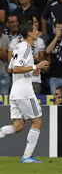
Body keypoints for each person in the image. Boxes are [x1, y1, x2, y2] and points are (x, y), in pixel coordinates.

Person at [0, 21, 49, 163]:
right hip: (24, 91)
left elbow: (10, 68)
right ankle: (27, 157)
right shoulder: (26, 47)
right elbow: (15, 69)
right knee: (37, 122)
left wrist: (31, 67)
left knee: (19, 126)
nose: (37, 31)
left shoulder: (18, 47)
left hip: (15, 91)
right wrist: (35, 66)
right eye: (34, 29)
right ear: (29, 33)